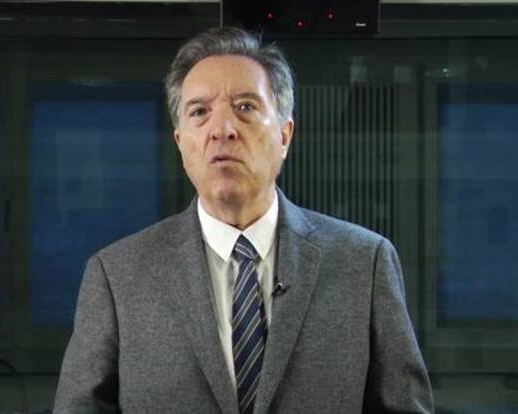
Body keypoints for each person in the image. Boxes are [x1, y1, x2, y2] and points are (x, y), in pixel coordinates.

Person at [54, 26, 434, 413]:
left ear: (285, 135)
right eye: (200, 112)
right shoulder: (117, 276)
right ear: (181, 143)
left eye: (246, 107)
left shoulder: (364, 263)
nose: (223, 129)